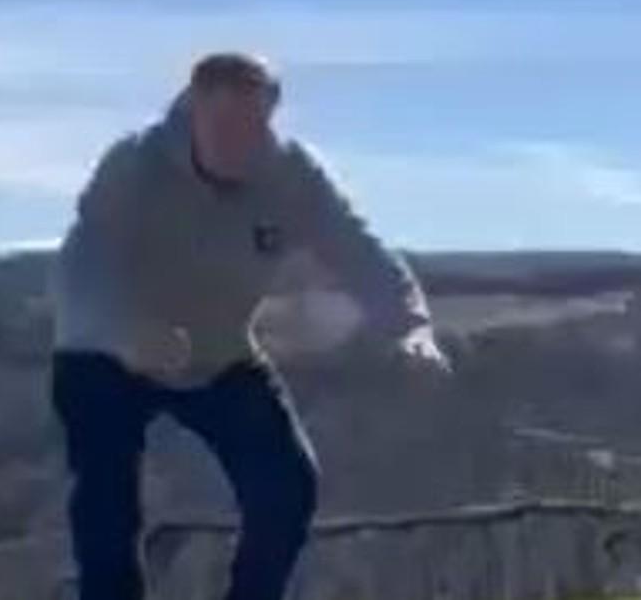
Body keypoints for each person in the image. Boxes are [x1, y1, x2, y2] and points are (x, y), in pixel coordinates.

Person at [48, 51, 451, 600]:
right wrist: (124, 334)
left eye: (251, 124)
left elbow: (359, 251)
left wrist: (409, 327)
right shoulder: (136, 164)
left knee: (287, 488)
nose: (237, 141)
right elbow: (82, 267)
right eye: (222, 125)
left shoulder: (292, 176)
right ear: (192, 110)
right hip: (107, 351)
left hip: (216, 352)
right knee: (105, 506)